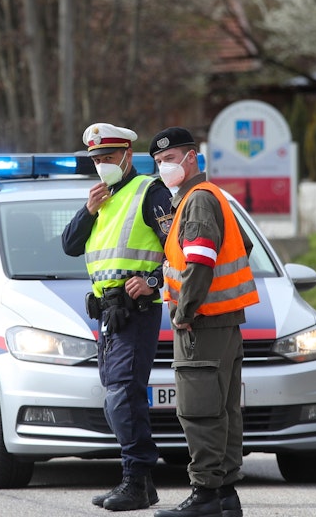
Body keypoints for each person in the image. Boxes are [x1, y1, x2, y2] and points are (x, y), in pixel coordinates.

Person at [62, 122, 173, 512]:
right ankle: (140, 482)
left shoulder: (150, 192)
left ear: (128, 154)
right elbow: (69, 245)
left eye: (108, 157)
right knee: (115, 401)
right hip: (108, 317)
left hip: (137, 312)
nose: (102, 165)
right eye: (96, 160)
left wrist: (154, 281)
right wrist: (87, 210)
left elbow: (177, 245)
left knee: (124, 395)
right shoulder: (102, 200)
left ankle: (137, 479)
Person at [149, 127, 259, 517]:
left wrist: (185, 312)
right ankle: (226, 494)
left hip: (201, 322)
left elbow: (199, 261)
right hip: (225, 321)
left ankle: (205, 495)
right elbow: (242, 245)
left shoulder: (195, 202)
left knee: (198, 411)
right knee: (225, 410)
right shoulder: (213, 196)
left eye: (171, 158)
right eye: (159, 162)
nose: (165, 167)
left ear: (192, 158)